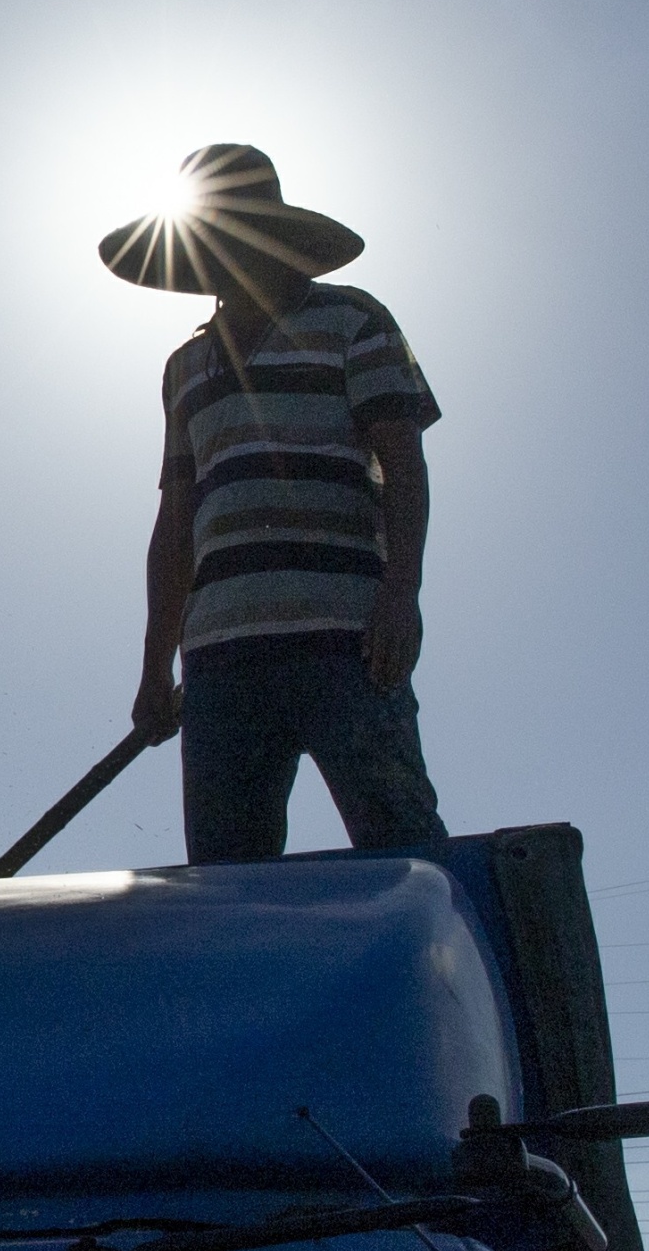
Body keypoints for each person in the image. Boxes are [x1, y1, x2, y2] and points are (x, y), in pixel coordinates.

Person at [111, 144, 448, 863]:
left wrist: (401, 594)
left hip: (347, 640)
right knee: (228, 878)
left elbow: (403, 464)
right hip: (222, 660)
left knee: (403, 845)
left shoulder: (354, 321)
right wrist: (154, 666)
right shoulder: (184, 368)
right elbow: (176, 524)